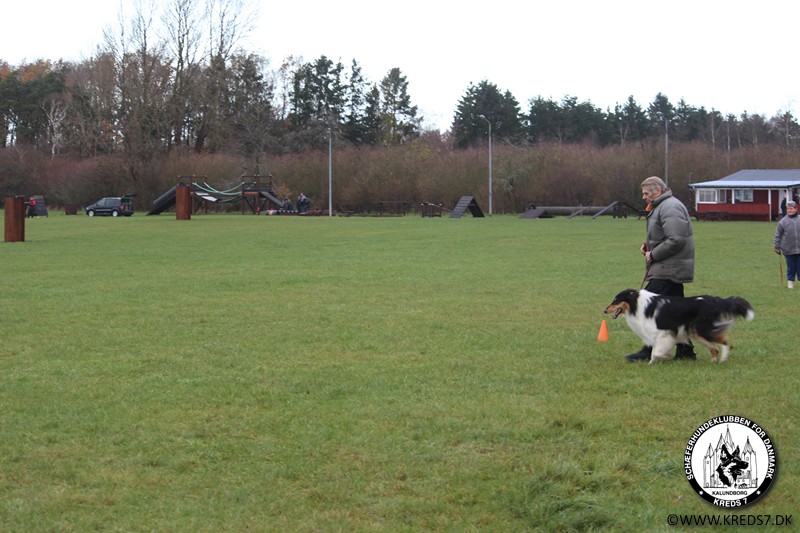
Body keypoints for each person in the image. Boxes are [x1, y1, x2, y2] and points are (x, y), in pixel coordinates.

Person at [627, 176, 697, 362]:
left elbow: (676, 239)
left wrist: (654, 254)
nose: (643, 197)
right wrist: (648, 246)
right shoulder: (662, 206)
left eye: (646, 193)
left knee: (646, 305)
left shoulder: (670, 207)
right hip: (668, 267)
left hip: (669, 268)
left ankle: (648, 351)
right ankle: (686, 352)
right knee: (676, 313)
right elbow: (665, 235)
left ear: (657, 190)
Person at [774, 200, 800, 288]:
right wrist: (777, 247)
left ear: (796, 209)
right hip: (788, 249)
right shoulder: (782, 222)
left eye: (791, 208)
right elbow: (778, 235)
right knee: (791, 267)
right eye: (788, 209)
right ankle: (790, 283)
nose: (789, 210)